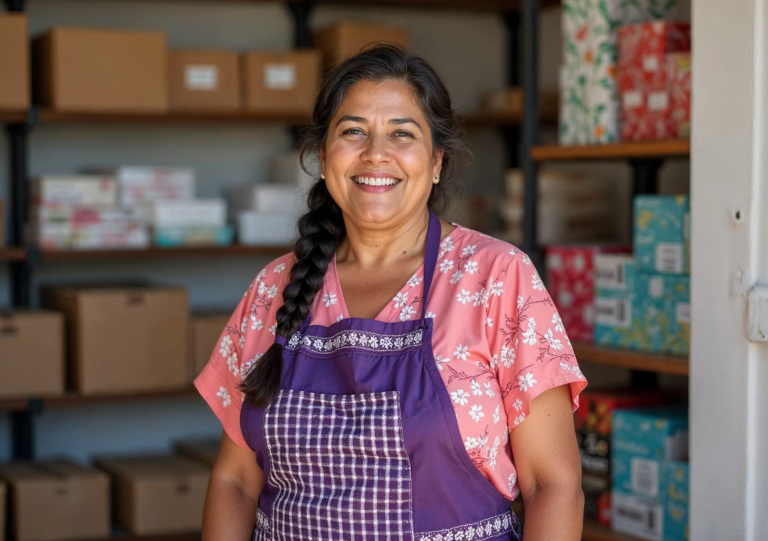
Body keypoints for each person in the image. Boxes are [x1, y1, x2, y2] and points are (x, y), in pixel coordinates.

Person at [195, 44, 587, 541]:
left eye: (402, 134)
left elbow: (552, 482)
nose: (375, 154)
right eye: (353, 131)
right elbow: (235, 481)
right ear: (322, 156)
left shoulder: (495, 277)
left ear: (437, 160)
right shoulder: (274, 288)